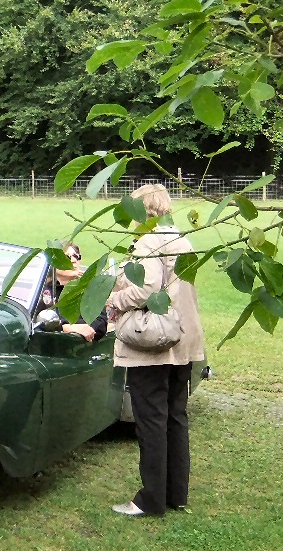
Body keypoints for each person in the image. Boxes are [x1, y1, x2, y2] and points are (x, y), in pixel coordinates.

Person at [107, 183, 205, 517]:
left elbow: (146, 289)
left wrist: (113, 300)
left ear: (142, 211)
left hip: (155, 343)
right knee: (175, 417)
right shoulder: (183, 240)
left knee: (151, 420)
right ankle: (175, 494)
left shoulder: (149, 242)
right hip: (184, 342)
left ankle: (150, 500)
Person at [56, 242, 108, 342]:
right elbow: (40, 323)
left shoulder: (90, 289)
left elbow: (101, 323)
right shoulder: (44, 289)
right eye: (68, 257)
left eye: (76, 256)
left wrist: (83, 328)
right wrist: (66, 327)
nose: (74, 260)